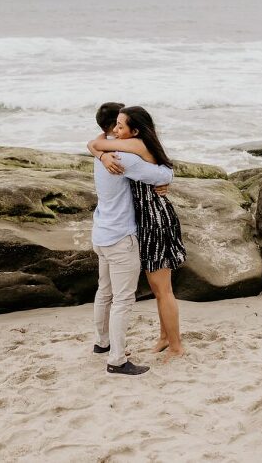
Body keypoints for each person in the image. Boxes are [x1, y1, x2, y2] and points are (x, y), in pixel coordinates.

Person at [88, 106, 186, 363]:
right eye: (117, 125)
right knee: (157, 288)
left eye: (123, 126)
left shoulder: (131, 149)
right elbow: (95, 143)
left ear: (135, 131)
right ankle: (165, 337)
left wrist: (101, 153)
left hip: (155, 220)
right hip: (142, 222)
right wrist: (100, 154)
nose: (118, 130)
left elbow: (165, 173)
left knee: (162, 288)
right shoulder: (117, 149)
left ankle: (176, 346)